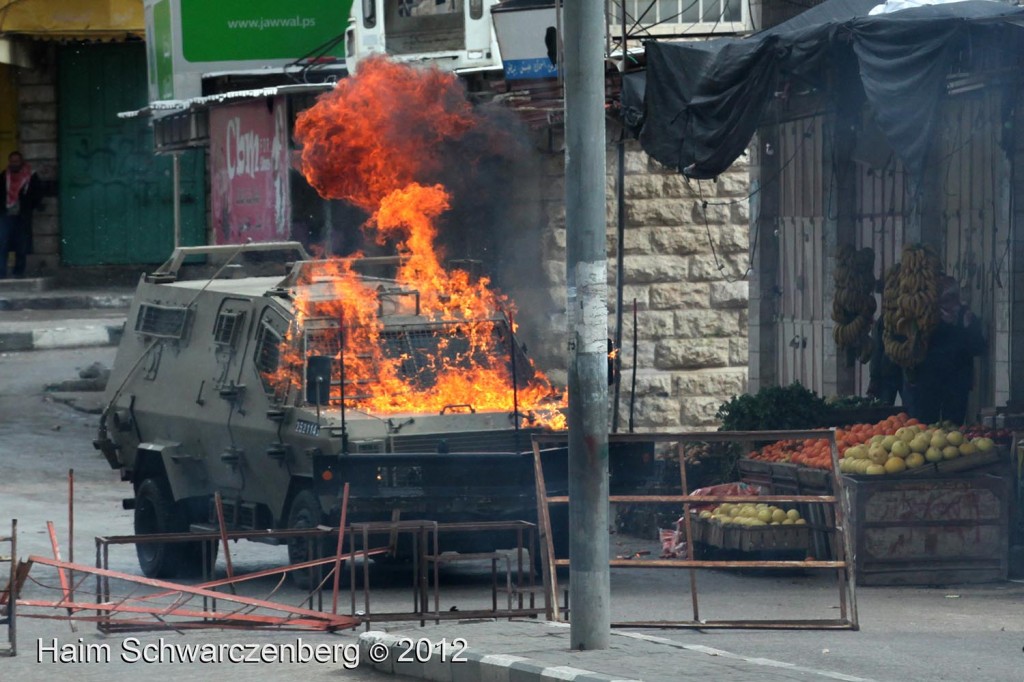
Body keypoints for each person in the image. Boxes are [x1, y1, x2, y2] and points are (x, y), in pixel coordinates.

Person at [901, 276, 986, 426]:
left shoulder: (966, 316)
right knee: (925, 425)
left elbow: (978, 347)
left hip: (956, 384)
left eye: (954, 298)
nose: (953, 303)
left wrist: (967, 328)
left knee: (953, 425)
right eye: (947, 298)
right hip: (927, 382)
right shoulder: (926, 318)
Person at [0, 151, 43, 279]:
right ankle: (1, 273)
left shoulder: (30, 177)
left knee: (21, 245)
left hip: (22, 216)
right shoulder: (3, 176)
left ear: (21, 162)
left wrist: (29, 207)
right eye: (12, 161)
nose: (14, 164)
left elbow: (37, 194)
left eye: (16, 161)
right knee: (2, 243)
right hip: (5, 215)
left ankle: (18, 272)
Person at [867, 316, 903, 406]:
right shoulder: (884, 320)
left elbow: (876, 350)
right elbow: (877, 350)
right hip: (899, 371)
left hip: (888, 372)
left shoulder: (884, 320)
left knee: (883, 411)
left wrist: (874, 378)